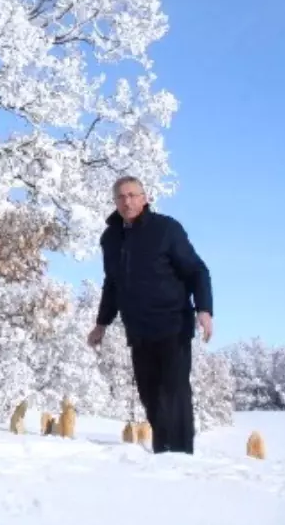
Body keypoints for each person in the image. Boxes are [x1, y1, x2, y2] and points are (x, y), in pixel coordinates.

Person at [87, 176, 213, 455]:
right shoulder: (110, 238)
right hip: (138, 329)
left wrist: (203, 309)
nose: (127, 201)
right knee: (150, 395)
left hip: (173, 324)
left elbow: (196, 270)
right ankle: (163, 454)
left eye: (132, 195)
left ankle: (180, 458)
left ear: (145, 198)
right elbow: (112, 283)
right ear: (114, 201)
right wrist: (101, 324)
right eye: (121, 196)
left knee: (175, 393)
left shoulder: (166, 229)